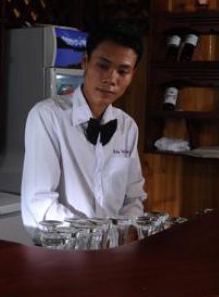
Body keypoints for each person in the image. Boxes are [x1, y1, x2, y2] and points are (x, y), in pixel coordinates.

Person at [21, 24, 146, 232]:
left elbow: (134, 199)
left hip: (114, 247)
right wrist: (96, 237)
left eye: (122, 71)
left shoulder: (127, 127)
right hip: (58, 247)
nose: (111, 79)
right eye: (103, 66)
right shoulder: (48, 117)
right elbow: (40, 203)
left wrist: (119, 237)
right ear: (85, 62)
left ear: (133, 74)